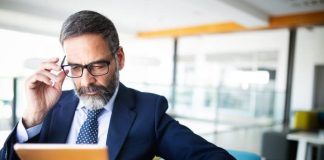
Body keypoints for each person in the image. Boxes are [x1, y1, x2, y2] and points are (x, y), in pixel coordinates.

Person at [0, 10, 235, 160]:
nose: (86, 80)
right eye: (75, 67)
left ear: (119, 58)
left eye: (98, 66)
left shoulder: (148, 111)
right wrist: (33, 117)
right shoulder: (49, 108)